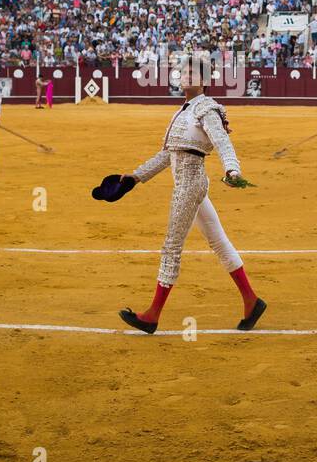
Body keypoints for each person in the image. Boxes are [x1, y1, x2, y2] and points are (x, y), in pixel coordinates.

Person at [110, 79, 265, 334]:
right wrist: (136, 177)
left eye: (192, 72)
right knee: (219, 242)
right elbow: (168, 155)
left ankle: (152, 315)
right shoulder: (185, 110)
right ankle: (251, 300)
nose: (185, 76)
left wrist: (233, 169)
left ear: (204, 81)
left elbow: (223, 142)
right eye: (183, 71)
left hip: (189, 187)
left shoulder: (207, 109)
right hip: (189, 185)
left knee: (171, 247)